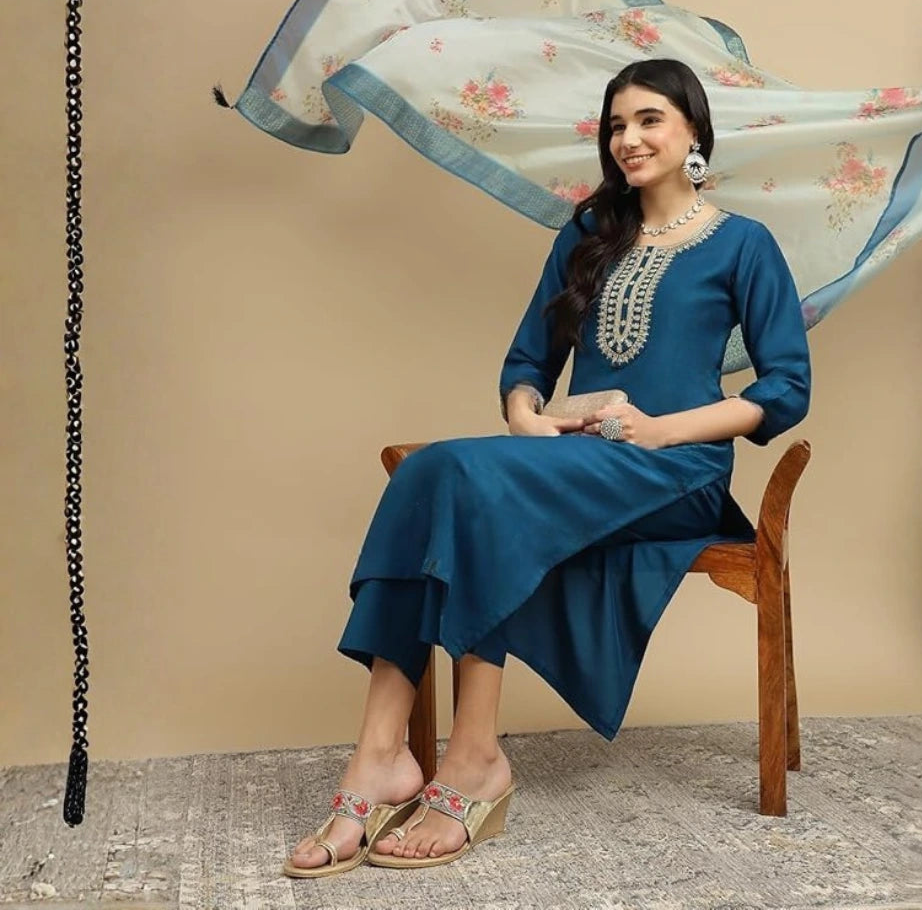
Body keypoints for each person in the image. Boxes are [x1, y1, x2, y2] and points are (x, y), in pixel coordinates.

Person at [285, 58, 811, 876]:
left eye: (648, 120)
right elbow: (528, 361)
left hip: (676, 474)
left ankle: (471, 761)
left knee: (464, 482)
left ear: (694, 133)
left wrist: (661, 429)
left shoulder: (743, 244)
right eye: (615, 125)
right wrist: (531, 422)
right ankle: (381, 756)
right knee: (438, 472)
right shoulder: (589, 233)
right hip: (574, 462)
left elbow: (786, 388)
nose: (628, 139)